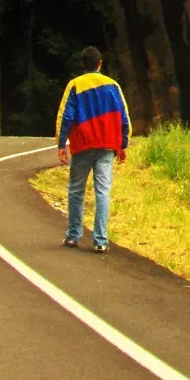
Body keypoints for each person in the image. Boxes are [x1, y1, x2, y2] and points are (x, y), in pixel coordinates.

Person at [56, 46, 131, 254]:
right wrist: (123, 145)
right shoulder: (112, 85)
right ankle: (100, 240)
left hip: (82, 146)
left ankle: (73, 236)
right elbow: (123, 117)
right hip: (107, 146)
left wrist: (62, 143)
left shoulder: (75, 85)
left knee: (76, 189)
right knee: (103, 191)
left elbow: (66, 116)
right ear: (100, 64)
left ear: (82, 65)